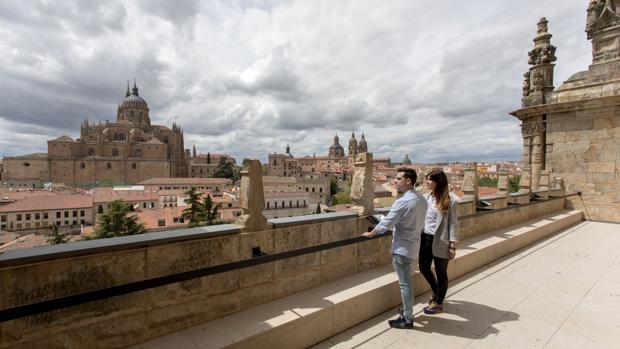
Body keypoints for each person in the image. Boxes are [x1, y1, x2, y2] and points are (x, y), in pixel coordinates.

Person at [362, 168, 426, 329]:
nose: (394, 181)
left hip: (402, 248)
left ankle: (407, 318)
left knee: (405, 284)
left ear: (408, 181)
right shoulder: (421, 198)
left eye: (398, 179)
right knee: (407, 282)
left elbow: (387, 222)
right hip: (414, 246)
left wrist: (372, 233)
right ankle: (406, 310)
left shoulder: (403, 201)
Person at [418, 169, 459, 315]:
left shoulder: (450, 200)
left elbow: (453, 224)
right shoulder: (425, 198)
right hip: (425, 239)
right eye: (427, 179)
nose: (427, 181)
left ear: (438, 182)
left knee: (441, 273)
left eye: (430, 179)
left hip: (441, 240)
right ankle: (436, 292)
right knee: (423, 267)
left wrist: (453, 245)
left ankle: (439, 303)